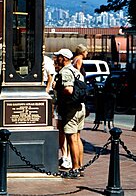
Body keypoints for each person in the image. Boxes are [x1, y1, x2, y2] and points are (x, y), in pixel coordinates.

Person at [54, 48, 85, 178]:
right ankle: (80, 166)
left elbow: (68, 90)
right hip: (80, 107)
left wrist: (57, 87)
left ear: (65, 58)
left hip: (70, 109)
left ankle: (75, 168)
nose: (57, 59)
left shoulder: (66, 71)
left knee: (71, 138)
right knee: (77, 137)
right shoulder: (76, 71)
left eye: (59, 56)